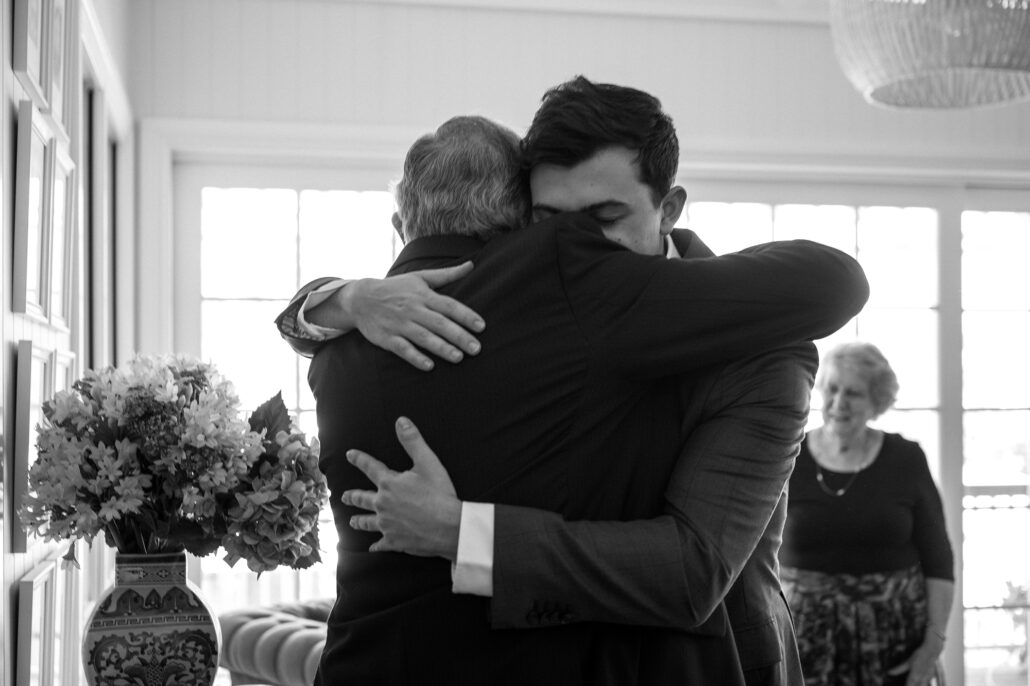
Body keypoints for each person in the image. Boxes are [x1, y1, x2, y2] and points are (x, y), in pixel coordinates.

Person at [277, 77, 864, 685]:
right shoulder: (533, 304)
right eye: (549, 223)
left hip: (710, 661)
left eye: (603, 218)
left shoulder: (764, 349)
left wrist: (466, 533)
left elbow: (692, 571)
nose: (577, 245)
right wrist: (343, 300)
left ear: (670, 209)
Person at [779, 342, 955, 686]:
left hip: (895, 641)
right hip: (801, 641)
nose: (838, 402)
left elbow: (939, 559)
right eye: (831, 389)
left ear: (876, 400)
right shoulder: (788, 456)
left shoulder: (906, 458)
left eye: (854, 393)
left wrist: (933, 646)